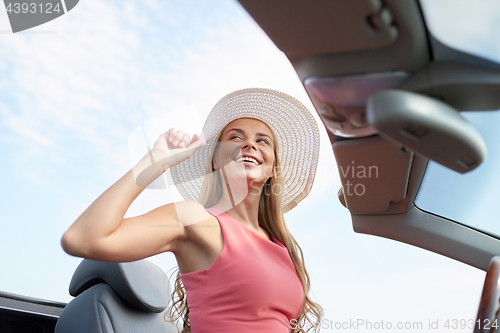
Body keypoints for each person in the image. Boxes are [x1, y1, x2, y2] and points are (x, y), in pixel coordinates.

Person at [61, 88, 323, 333]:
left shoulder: (281, 246)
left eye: (262, 140)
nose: (249, 145)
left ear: (272, 168)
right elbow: (83, 238)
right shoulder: (196, 220)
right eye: (235, 137)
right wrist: (155, 162)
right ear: (216, 159)